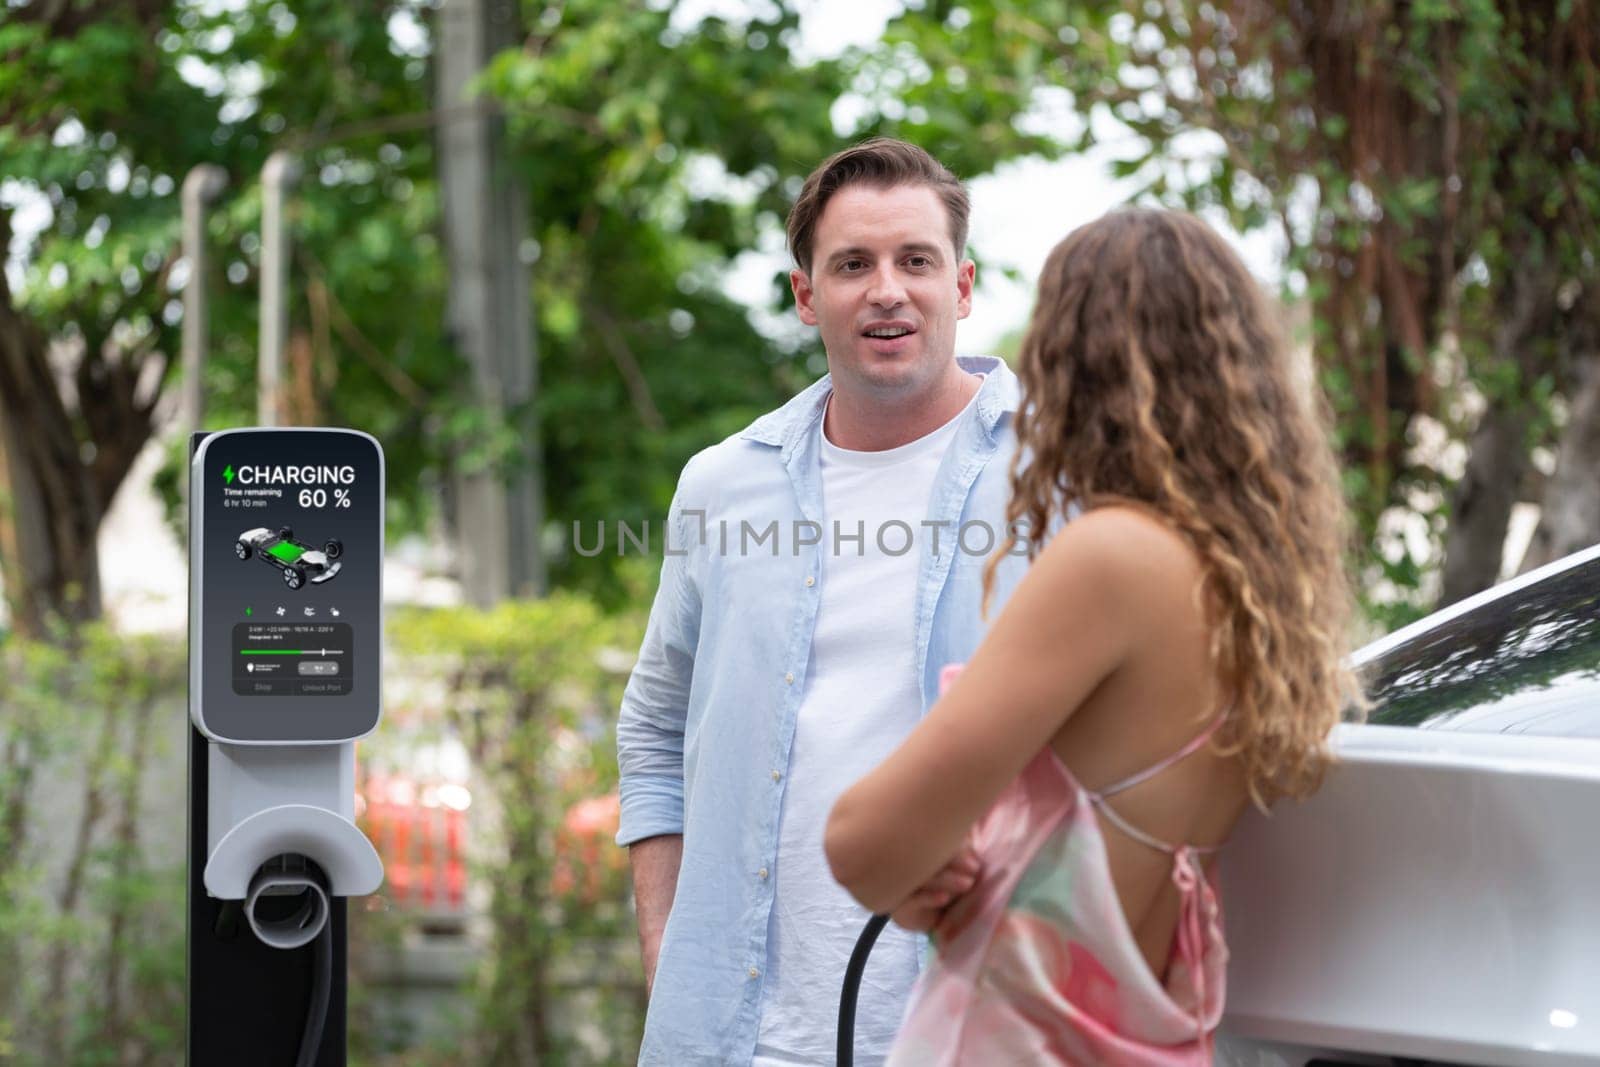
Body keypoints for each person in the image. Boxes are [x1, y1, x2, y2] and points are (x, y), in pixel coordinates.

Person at [826, 208, 1363, 1064]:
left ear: (1070, 365)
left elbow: (863, 841)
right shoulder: (1251, 593)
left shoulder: (1113, 560)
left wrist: (920, 866)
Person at [615, 138, 1028, 1065]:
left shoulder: (1059, 477)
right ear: (807, 296)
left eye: (915, 260)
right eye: (853, 265)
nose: (887, 289)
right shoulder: (722, 485)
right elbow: (653, 730)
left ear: (961, 286)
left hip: (980, 1026)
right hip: (737, 1037)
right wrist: (666, 958)